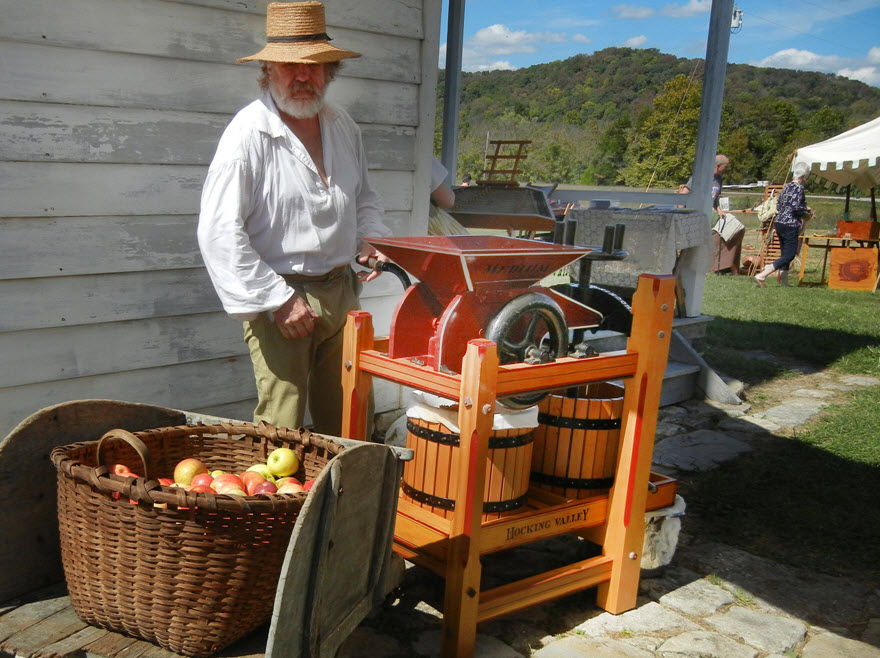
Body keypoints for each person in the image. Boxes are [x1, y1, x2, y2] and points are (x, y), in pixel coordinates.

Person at [197, 1, 392, 436]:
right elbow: (218, 233)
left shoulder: (342, 126)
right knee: (280, 432)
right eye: (289, 66)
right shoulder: (247, 135)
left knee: (350, 422)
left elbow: (364, 198)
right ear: (267, 72)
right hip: (279, 303)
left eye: (315, 67)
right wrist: (278, 299)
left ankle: (348, 504)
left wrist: (372, 238)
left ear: (330, 71)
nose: (303, 77)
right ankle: (280, 507)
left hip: (342, 294)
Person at [754, 162, 812, 287]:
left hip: (779, 222)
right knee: (790, 255)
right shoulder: (799, 188)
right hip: (790, 224)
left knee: (785, 253)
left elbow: (779, 204)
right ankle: (761, 275)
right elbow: (796, 208)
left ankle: (784, 283)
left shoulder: (786, 187)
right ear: (805, 175)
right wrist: (806, 210)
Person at [678, 154, 729, 222]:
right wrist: (680, 214)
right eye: (725, 167)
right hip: (690, 215)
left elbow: (714, 197)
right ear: (718, 166)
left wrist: (719, 211)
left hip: (704, 217)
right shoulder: (700, 176)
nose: (726, 169)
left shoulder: (719, 180)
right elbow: (683, 194)